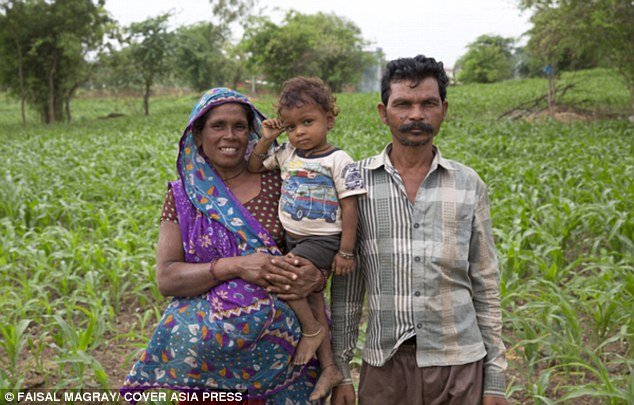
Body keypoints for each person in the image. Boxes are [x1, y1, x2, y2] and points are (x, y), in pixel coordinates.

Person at [121, 88, 329, 404]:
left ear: (252, 132)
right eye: (218, 125)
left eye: (239, 126)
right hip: (209, 367)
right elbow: (167, 278)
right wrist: (235, 265)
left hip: (287, 363)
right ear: (199, 134)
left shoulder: (283, 181)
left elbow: (319, 240)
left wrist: (316, 274)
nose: (229, 135)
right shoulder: (183, 196)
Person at [330, 55, 507, 405]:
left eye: (428, 103)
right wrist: (340, 368)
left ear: (443, 109)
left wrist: (496, 380)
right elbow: (347, 288)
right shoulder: (355, 182)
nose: (415, 115)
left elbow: (485, 283)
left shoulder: (467, 183)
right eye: (403, 104)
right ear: (383, 112)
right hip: (385, 366)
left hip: (460, 365)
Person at [248, 77, 366, 400]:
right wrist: (267, 138)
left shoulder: (339, 160)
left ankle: (312, 331)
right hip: (295, 238)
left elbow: (350, 205)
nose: (299, 132)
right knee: (313, 296)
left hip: (325, 240)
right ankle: (329, 366)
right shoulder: (287, 153)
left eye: (308, 122)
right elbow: (255, 166)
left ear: (329, 120)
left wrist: (345, 251)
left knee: (283, 275)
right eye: (291, 127)